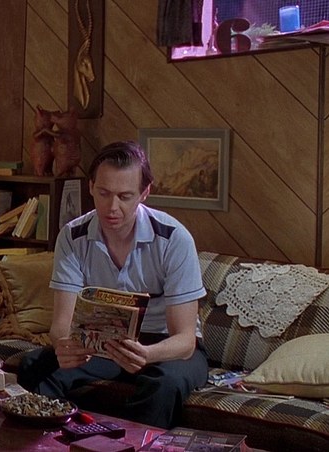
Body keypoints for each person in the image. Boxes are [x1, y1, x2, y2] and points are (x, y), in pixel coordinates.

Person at [17, 140, 208, 429]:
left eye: (125, 196)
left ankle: (129, 446)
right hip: (101, 342)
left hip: (165, 347)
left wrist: (147, 355)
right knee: (35, 365)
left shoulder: (173, 239)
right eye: (104, 193)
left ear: (144, 193)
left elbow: (185, 340)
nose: (112, 207)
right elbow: (60, 325)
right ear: (91, 186)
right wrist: (64, 346)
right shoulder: (73, 236)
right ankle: (57, 442)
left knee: (165, 384)